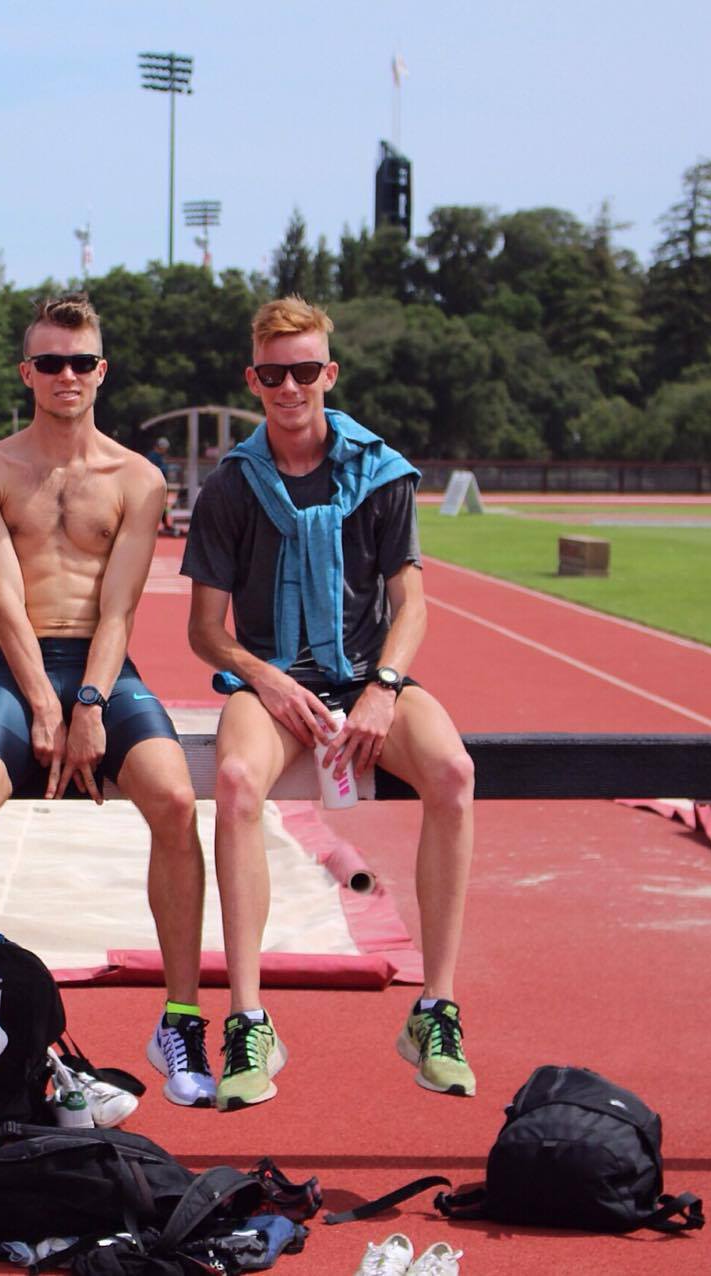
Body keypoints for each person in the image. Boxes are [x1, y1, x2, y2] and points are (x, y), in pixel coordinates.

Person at [182, 296, 476, 1108]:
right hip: (272, 672)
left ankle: (436, 1009)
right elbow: (206, 633)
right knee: (237, 783)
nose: (289, 386)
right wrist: (268, 680)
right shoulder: (233, 487)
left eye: (304, 370)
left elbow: (411, 604)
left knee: (452, 772)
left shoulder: (378, 472)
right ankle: (248, 1020)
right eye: (273, 373)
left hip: (362, 676)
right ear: (253, 378)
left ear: (329, 374)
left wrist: (382, 689)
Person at [0, 294, 211, 1110]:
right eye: (49, 362)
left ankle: (181, 1020)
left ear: (101, 371)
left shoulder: (139, 478)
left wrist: (86, 701)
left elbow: (120, 608)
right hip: (19, 666)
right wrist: (43, 706)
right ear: (27, 373)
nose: (66, 375)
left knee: (175, 802)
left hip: (104, 667)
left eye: (80, 361)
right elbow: (1, 597)